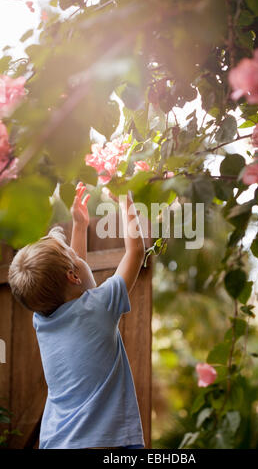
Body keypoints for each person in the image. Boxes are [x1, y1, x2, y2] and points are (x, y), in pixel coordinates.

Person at [8, 182, 146, 449]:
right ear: (72, 275)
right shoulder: (100, 305)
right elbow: (136, 252)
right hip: (109, 442)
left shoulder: (43, 321)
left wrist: (80, 226)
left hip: (59, 441)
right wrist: (125, 202)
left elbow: (76, 286)